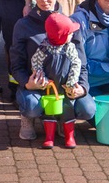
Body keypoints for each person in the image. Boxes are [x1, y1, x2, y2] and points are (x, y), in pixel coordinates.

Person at [11, 0, 95, 141]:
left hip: (65, 87)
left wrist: (83, 88)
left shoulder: (70, 25)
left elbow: (81, 63)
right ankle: (29, 118)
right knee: (32, 106)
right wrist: (27, 83)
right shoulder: (23, 25)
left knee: (88, 109)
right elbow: (16, 65)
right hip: (37, 87)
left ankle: (63, 119)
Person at [29, 12, 84, 149]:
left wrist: (72, 81)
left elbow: (76, 64)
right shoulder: (43, 49)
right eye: (69, 33)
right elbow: (36, 64)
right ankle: (49, 137)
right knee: (50, 111)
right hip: (50, 88)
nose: (72, 35)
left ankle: (69, 136)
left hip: (66, 87)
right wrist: (44, 79)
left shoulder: (70, 47)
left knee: (68, 108)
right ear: (61, 35)